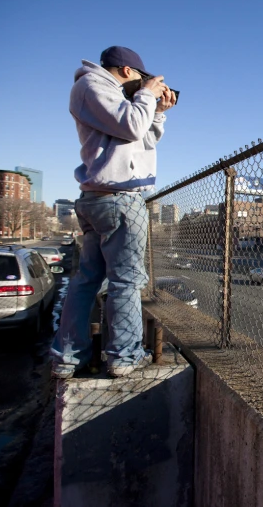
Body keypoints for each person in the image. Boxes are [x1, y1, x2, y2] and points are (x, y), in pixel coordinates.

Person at [51, 46, 176, 378]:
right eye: (140, 78)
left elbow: (144, 139)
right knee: (126, 281)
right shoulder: (93, 86)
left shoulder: (113, 98)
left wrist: (158, 110)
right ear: (126, 71)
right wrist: (147, 95)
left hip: (103, 197)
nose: (142, 84)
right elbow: (133, 125)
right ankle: (124, 355)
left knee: (88, 279)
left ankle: (69, 357)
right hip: (119, 197)